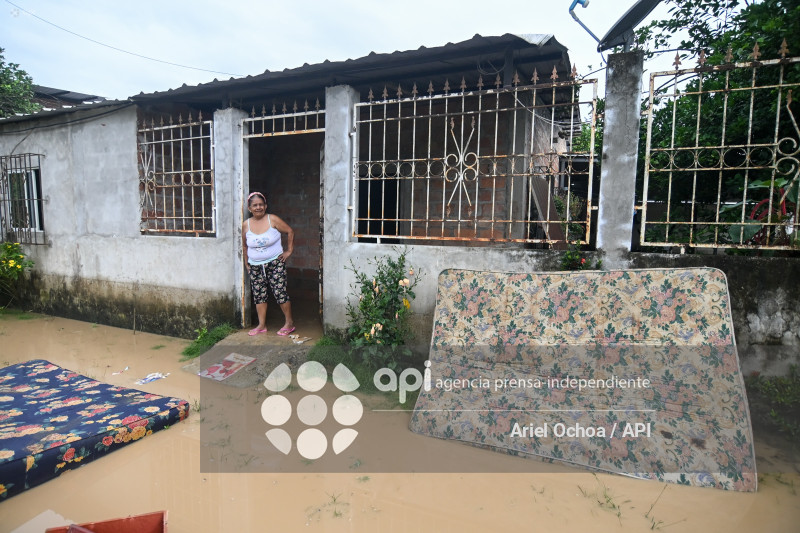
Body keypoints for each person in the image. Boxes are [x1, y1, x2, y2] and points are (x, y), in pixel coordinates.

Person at [242, 191, 295, 336]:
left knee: (280, 292)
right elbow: (245, 246)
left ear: (265, 206)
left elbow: (290, 231)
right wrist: (247, 263)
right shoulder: (245, 225)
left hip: (275, 263)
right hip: (255, 265)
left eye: (261, 204)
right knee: (259, 295)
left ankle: (289, 323)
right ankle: (261, 325)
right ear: (249, 208)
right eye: (255, 205)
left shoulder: (273, 220)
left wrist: (289, 251)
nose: (258, 207)